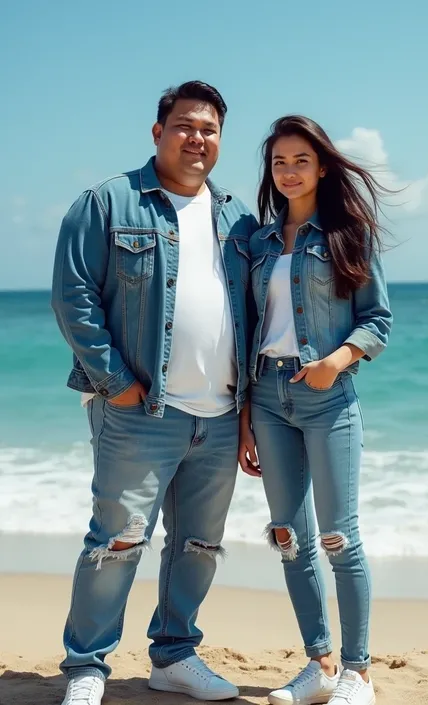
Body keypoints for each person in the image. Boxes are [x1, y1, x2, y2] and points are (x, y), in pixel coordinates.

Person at [51, 80, 258, 705]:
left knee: (199, 545)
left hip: (221, 412)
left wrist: (249, 407)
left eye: (210, 129)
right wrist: (115, 384)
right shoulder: (108, 203)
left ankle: (173, 656)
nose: (198, 138)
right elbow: (73, 297)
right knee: (117, 541)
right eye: (185, 125)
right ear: (158, 131)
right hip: (140, 409)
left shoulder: (237, 218)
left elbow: (252, 310)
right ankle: (87, 667)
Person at [239, 116, 393, 705]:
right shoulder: (258, 241)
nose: (289, 171)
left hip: (327, 396)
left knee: (338, 536)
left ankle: (358, 672)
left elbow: (377, 320)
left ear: (322, 165)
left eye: (300, 159)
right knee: (288, 536)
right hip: (268, 398)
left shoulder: (346, 233)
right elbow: (251, 327)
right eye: (279, 162)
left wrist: (337, 359)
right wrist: (247, 414)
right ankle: (319, 664)